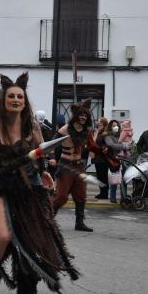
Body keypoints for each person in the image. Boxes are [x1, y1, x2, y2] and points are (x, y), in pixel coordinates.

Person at [0, 73, 79, 294]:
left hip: (30, 187)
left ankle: (27, 286)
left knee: (30, 238)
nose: (16, 100)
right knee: (5, 234)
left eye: (20, 96)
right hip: (0, 186)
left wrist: (44, 171)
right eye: (11, 96)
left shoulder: (32, 126)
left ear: (24, 100)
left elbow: (41, 153)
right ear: (3, 99)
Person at [51, 99, 97, 232]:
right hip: (65, 165)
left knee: (81, 195)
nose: (83, 117)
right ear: (75, 116)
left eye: (85, 115)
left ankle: (79, 223)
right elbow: (52, 145)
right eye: (81, 115)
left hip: (79, 166)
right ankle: (48, 220)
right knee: (61, 196)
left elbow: (92, 146)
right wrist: (53, 158)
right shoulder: (65, 129)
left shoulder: (87, 131)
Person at [101, 119, 128, 203]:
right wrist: (123, 146)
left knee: (124, 179)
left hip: (123, 159)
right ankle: (113, 198)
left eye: (116, 125)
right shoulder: (107, 135)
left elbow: (127, 143)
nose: (115, 127)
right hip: (113, 160)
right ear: (110, 127)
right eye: (113, 125)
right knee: (114, 180)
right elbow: (110, 145)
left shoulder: (121, 134)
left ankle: (124, 198)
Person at [91, 117, 109, 199]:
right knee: (99, 176)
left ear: (103, 123)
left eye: (99, 122)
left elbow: (106, 144)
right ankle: (102, 192)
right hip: (97, 158)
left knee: (103, 176)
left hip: (103, 159)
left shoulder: (105, 133)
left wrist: (103, 147)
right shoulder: (98, 132)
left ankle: (104, 194)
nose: (98, 123)